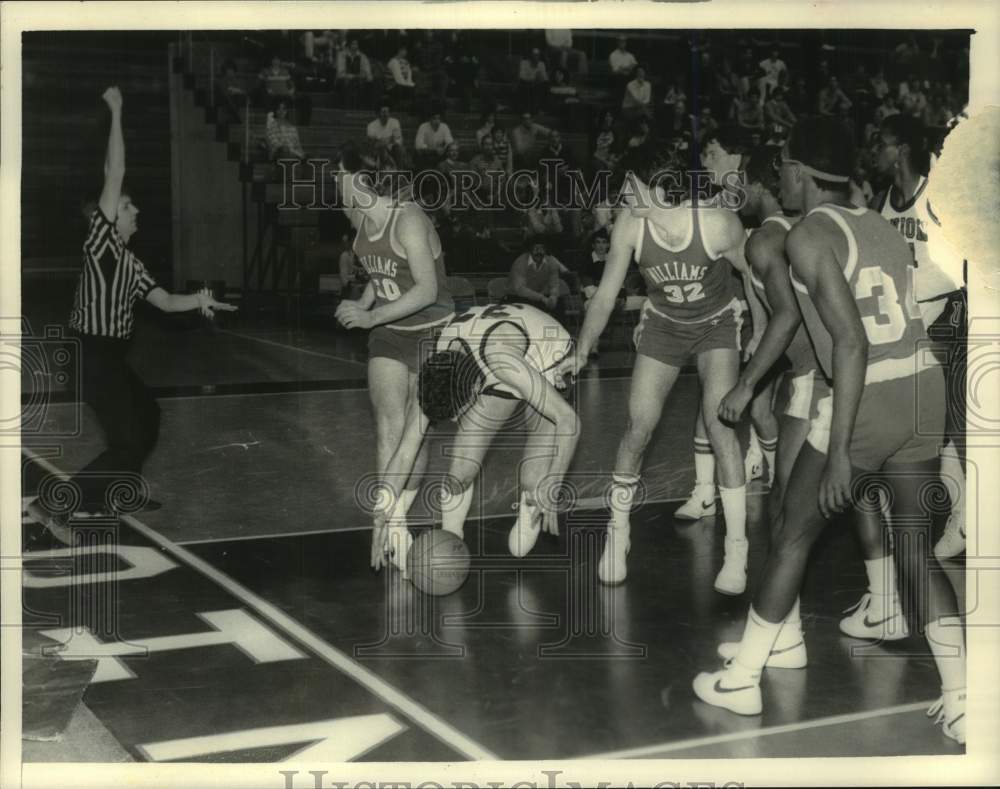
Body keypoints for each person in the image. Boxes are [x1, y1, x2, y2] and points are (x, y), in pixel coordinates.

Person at [693, 118, 965, 747]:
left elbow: (850, 343)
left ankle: (744, 678)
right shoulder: (881, 224)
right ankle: (961, 697)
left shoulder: (809, 234)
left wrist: (840, 450)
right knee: (915, 547)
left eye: (785, 165)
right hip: (924, 387)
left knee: (792, 532)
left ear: (803, 173)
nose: (780, 175)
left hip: (871, 392)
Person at [28, 87, 236, 538]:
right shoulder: (101, 244)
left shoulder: (131, 263)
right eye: (126, 205)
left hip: (109, 358)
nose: (134, 208)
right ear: (106, 218)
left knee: (148, 418)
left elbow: (164, 301)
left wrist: (199, 300)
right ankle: (54, 506)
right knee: (126, 441)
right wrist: (117, 111)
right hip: (90, 354)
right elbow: (115, 170)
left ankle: (115, 492)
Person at [566, 153, 750, 591]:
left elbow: (756, 274)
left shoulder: (717, 224)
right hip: (665, 325)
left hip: (717, 324)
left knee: (720, 427)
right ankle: (618, 532)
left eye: (632, 186)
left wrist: (761, 330)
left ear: (662, 187)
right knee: (638, 427)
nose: (623, 195)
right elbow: (606, 294)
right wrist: (583, 348)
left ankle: (737, 548)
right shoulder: (630, 226)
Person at [370, 302, 579, 572]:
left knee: (533, 479)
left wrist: (554, 481)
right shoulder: (437, 366)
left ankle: (531, 506)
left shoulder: (500, 364)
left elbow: (569, 420)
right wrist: (382, 514)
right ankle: (452, 539)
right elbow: (404, 453)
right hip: (498, 352)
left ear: (478, 388)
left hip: (549, 361)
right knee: (460, 470)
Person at [334, 142, 455, 572]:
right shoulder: (358, 217)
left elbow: (427, 289)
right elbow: (380, 270)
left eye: (340, 172)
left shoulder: (409, 219)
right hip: (390, 330)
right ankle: (392, 525)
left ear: (361, 179)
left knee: (412, 436)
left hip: (432, 330)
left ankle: (397, 513)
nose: (335, 179)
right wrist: (366, 303)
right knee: (389, 427)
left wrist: (370, 317)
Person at [872, 114, 967, 559]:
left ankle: (960, 516)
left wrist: (901, 290)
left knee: (936, 423)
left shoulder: (938, 197)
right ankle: (942, 516)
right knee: (917, 426)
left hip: (946, 317)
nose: (875, 151)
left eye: (882, 143)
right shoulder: (882, 202)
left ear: (902, 150)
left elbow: (957, 269)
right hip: (904, 324)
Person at [507, 237, 564, 320]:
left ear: (546, 250)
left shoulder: (551, 262)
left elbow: (554, 283)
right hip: (517, 297)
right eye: (536, 248)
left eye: (542, 249)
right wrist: (542, 298)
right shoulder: (520, 262)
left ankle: (559, 328)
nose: (538, 252)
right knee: (528, 304)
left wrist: (553, 296)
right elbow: (520, 289)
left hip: (538, 297)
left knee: (560, 303)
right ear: (530, 249)